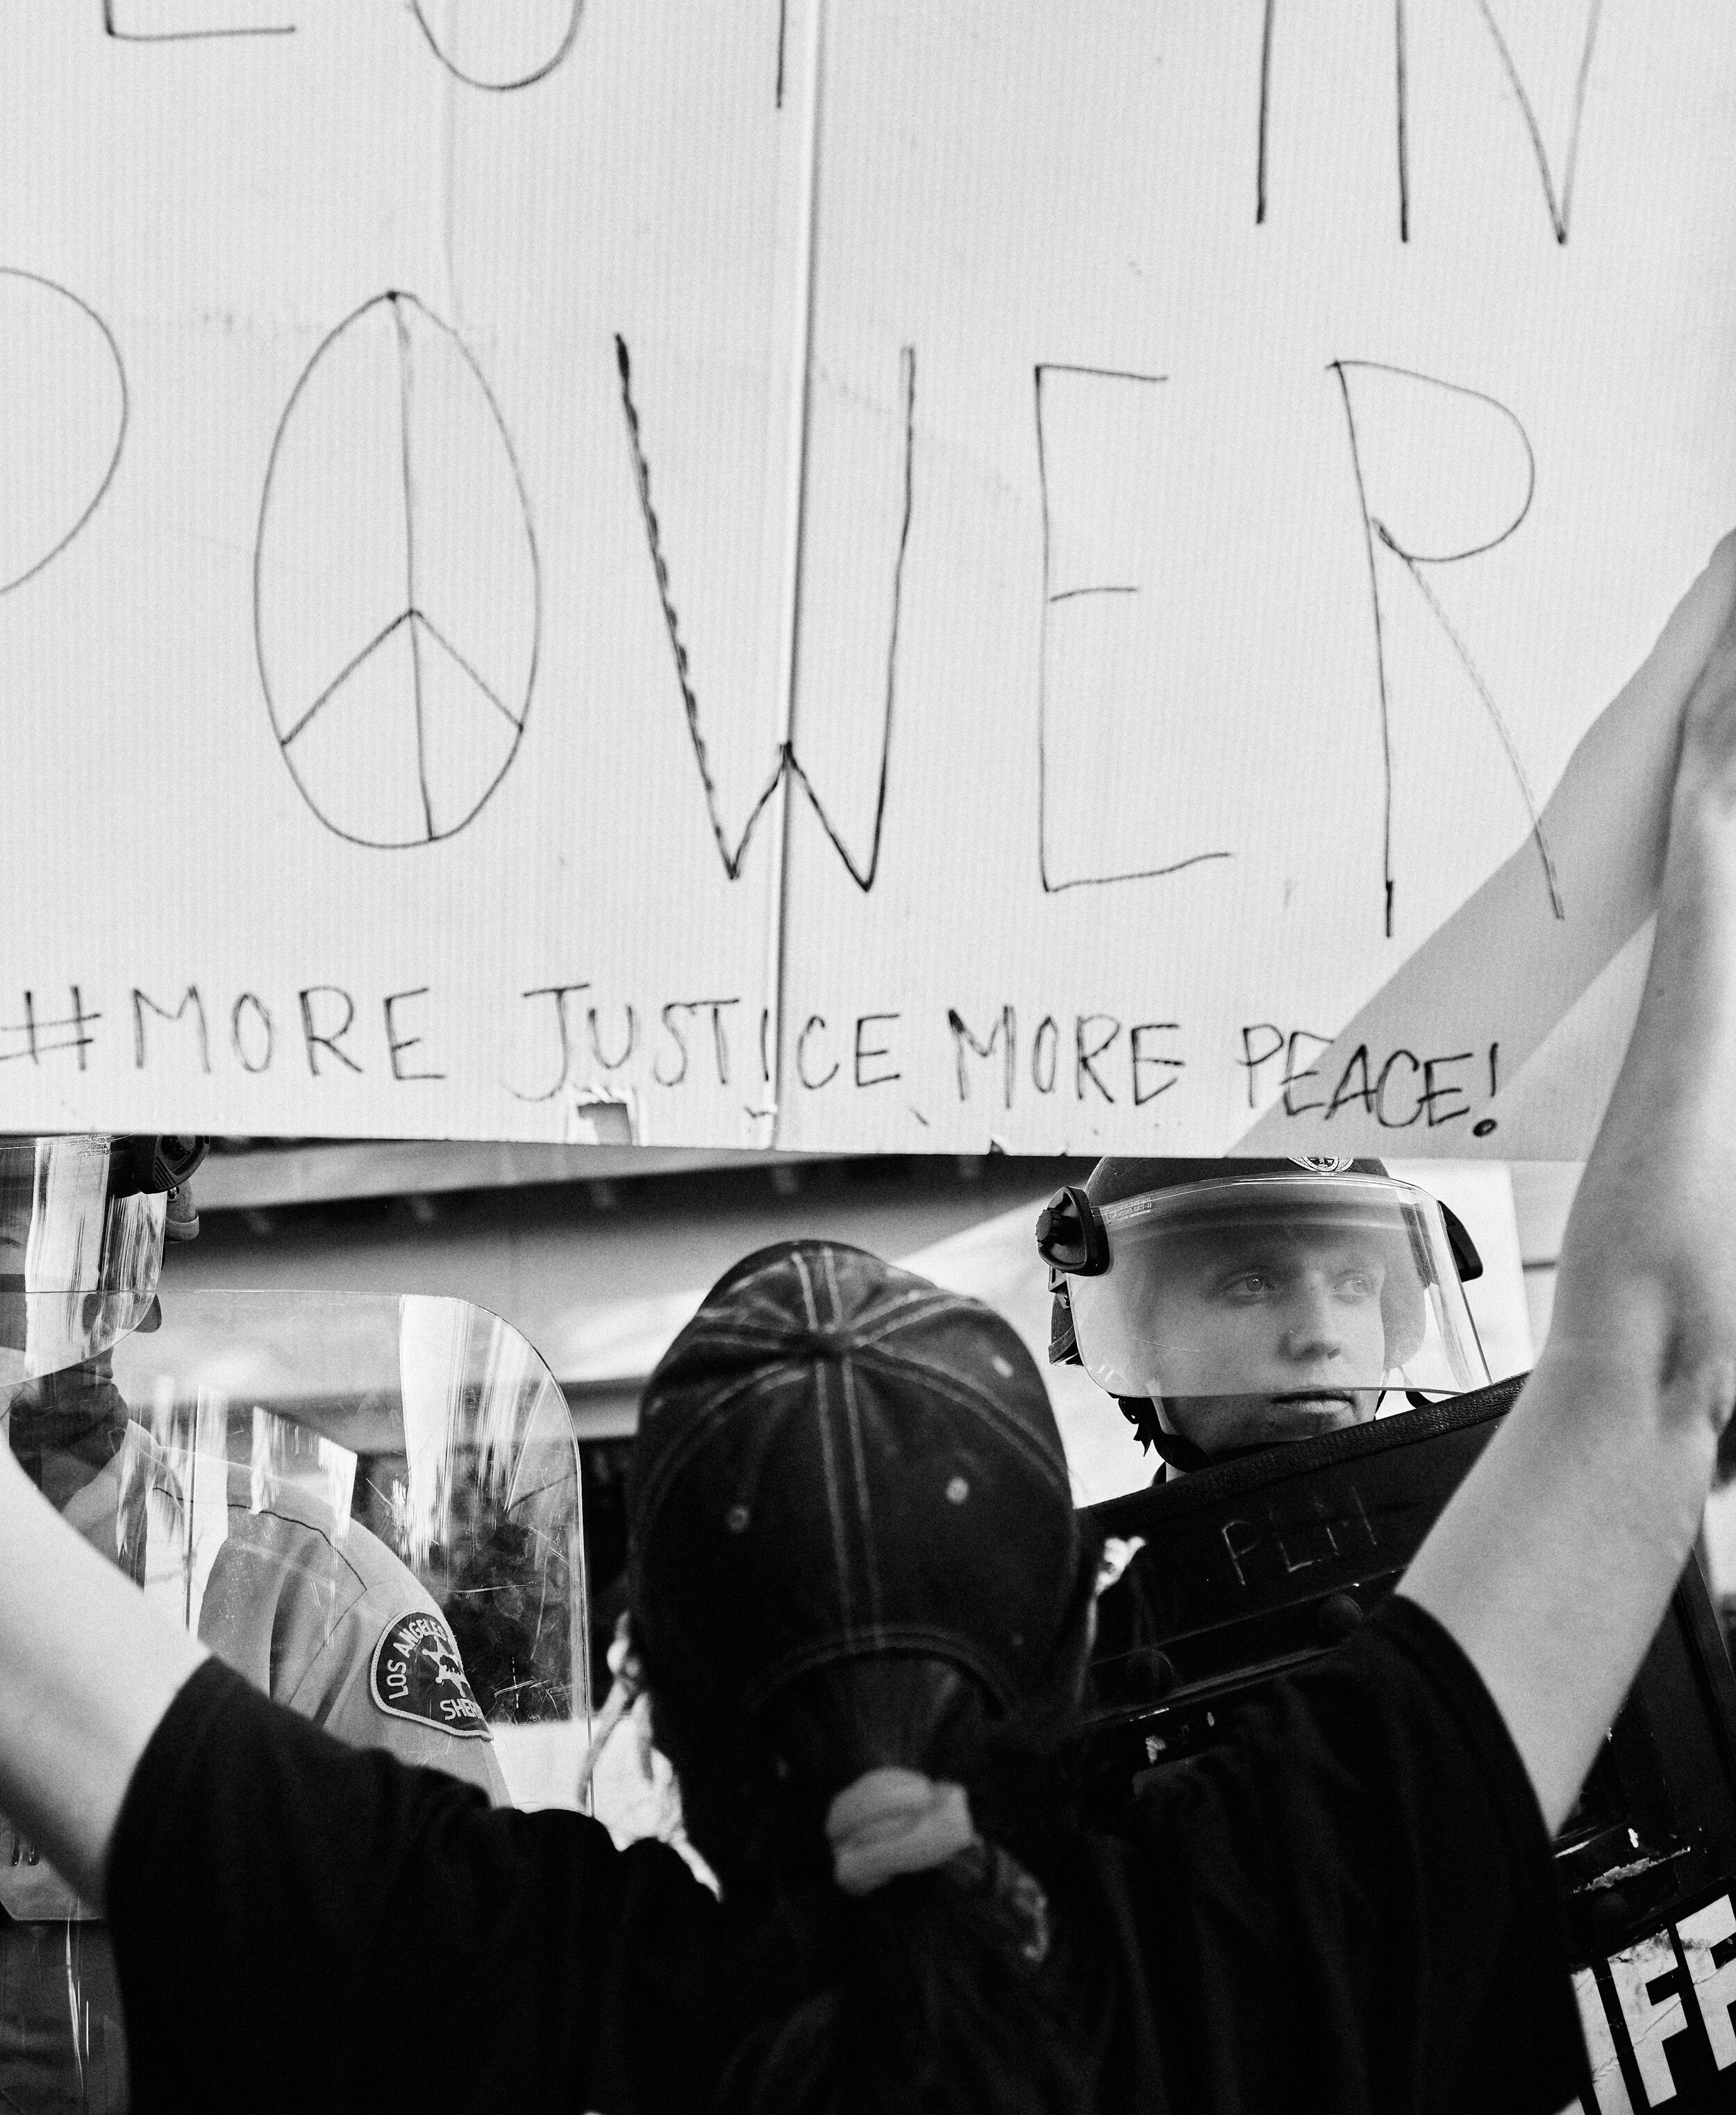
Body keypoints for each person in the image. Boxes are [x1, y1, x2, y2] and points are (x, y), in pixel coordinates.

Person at [4, 568, 1736, 2107]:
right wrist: (1715, 832)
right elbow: (1651, 1367)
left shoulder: (507, 1995)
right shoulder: (1280, 1929)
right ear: (1076, 1639)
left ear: (646, 1709)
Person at [0, 1134, 507, 2112]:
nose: (18, 1292)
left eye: (40, 1238)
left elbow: (457, 2008)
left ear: (130, 1276)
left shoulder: (299, 1595)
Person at [1035, 1156, 1488, 1471]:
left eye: (1355, 1284)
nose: (1321, 1336)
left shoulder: (1474, 1574)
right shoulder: (1085, 1607)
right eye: (1252, 1285)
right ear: (1133, 1334)